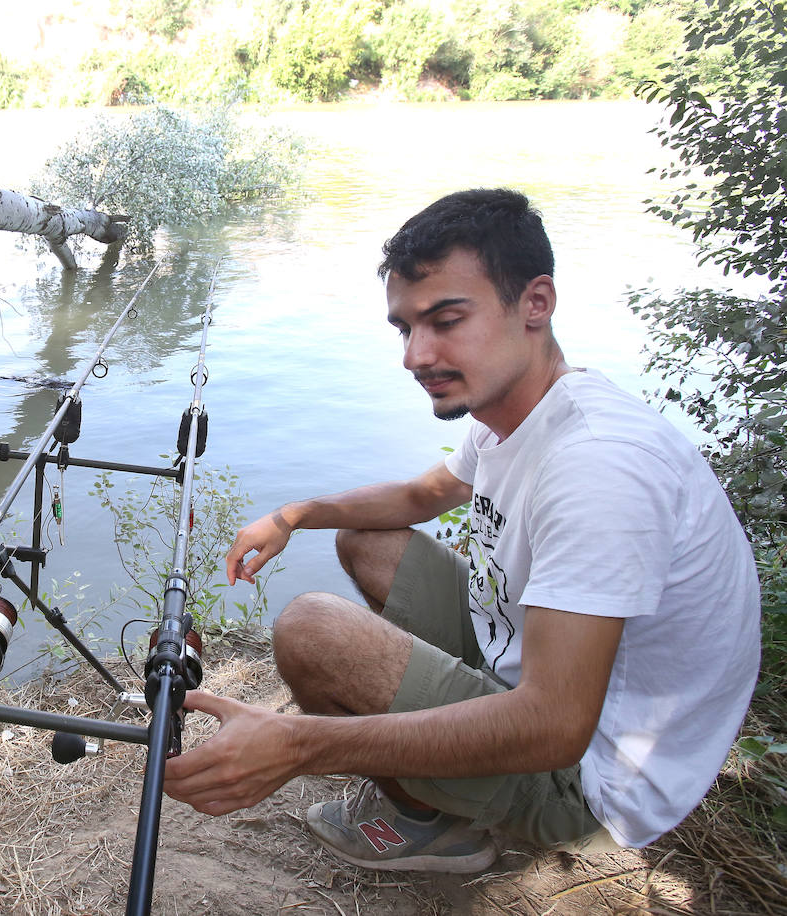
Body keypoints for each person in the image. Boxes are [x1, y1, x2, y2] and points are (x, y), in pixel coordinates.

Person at [163, 188, 761, 873]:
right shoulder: (523, 408)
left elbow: (554, 727)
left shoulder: (599, 469)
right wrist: (294, 514)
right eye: (405, 328)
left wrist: (301, 743)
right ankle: (437, 776)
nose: (417, 355)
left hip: (592, 780)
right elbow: (424, 495)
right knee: (364, 540)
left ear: (536, 303)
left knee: (312, 629)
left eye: (446, 319)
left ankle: (432, 826)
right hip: (542, 684)